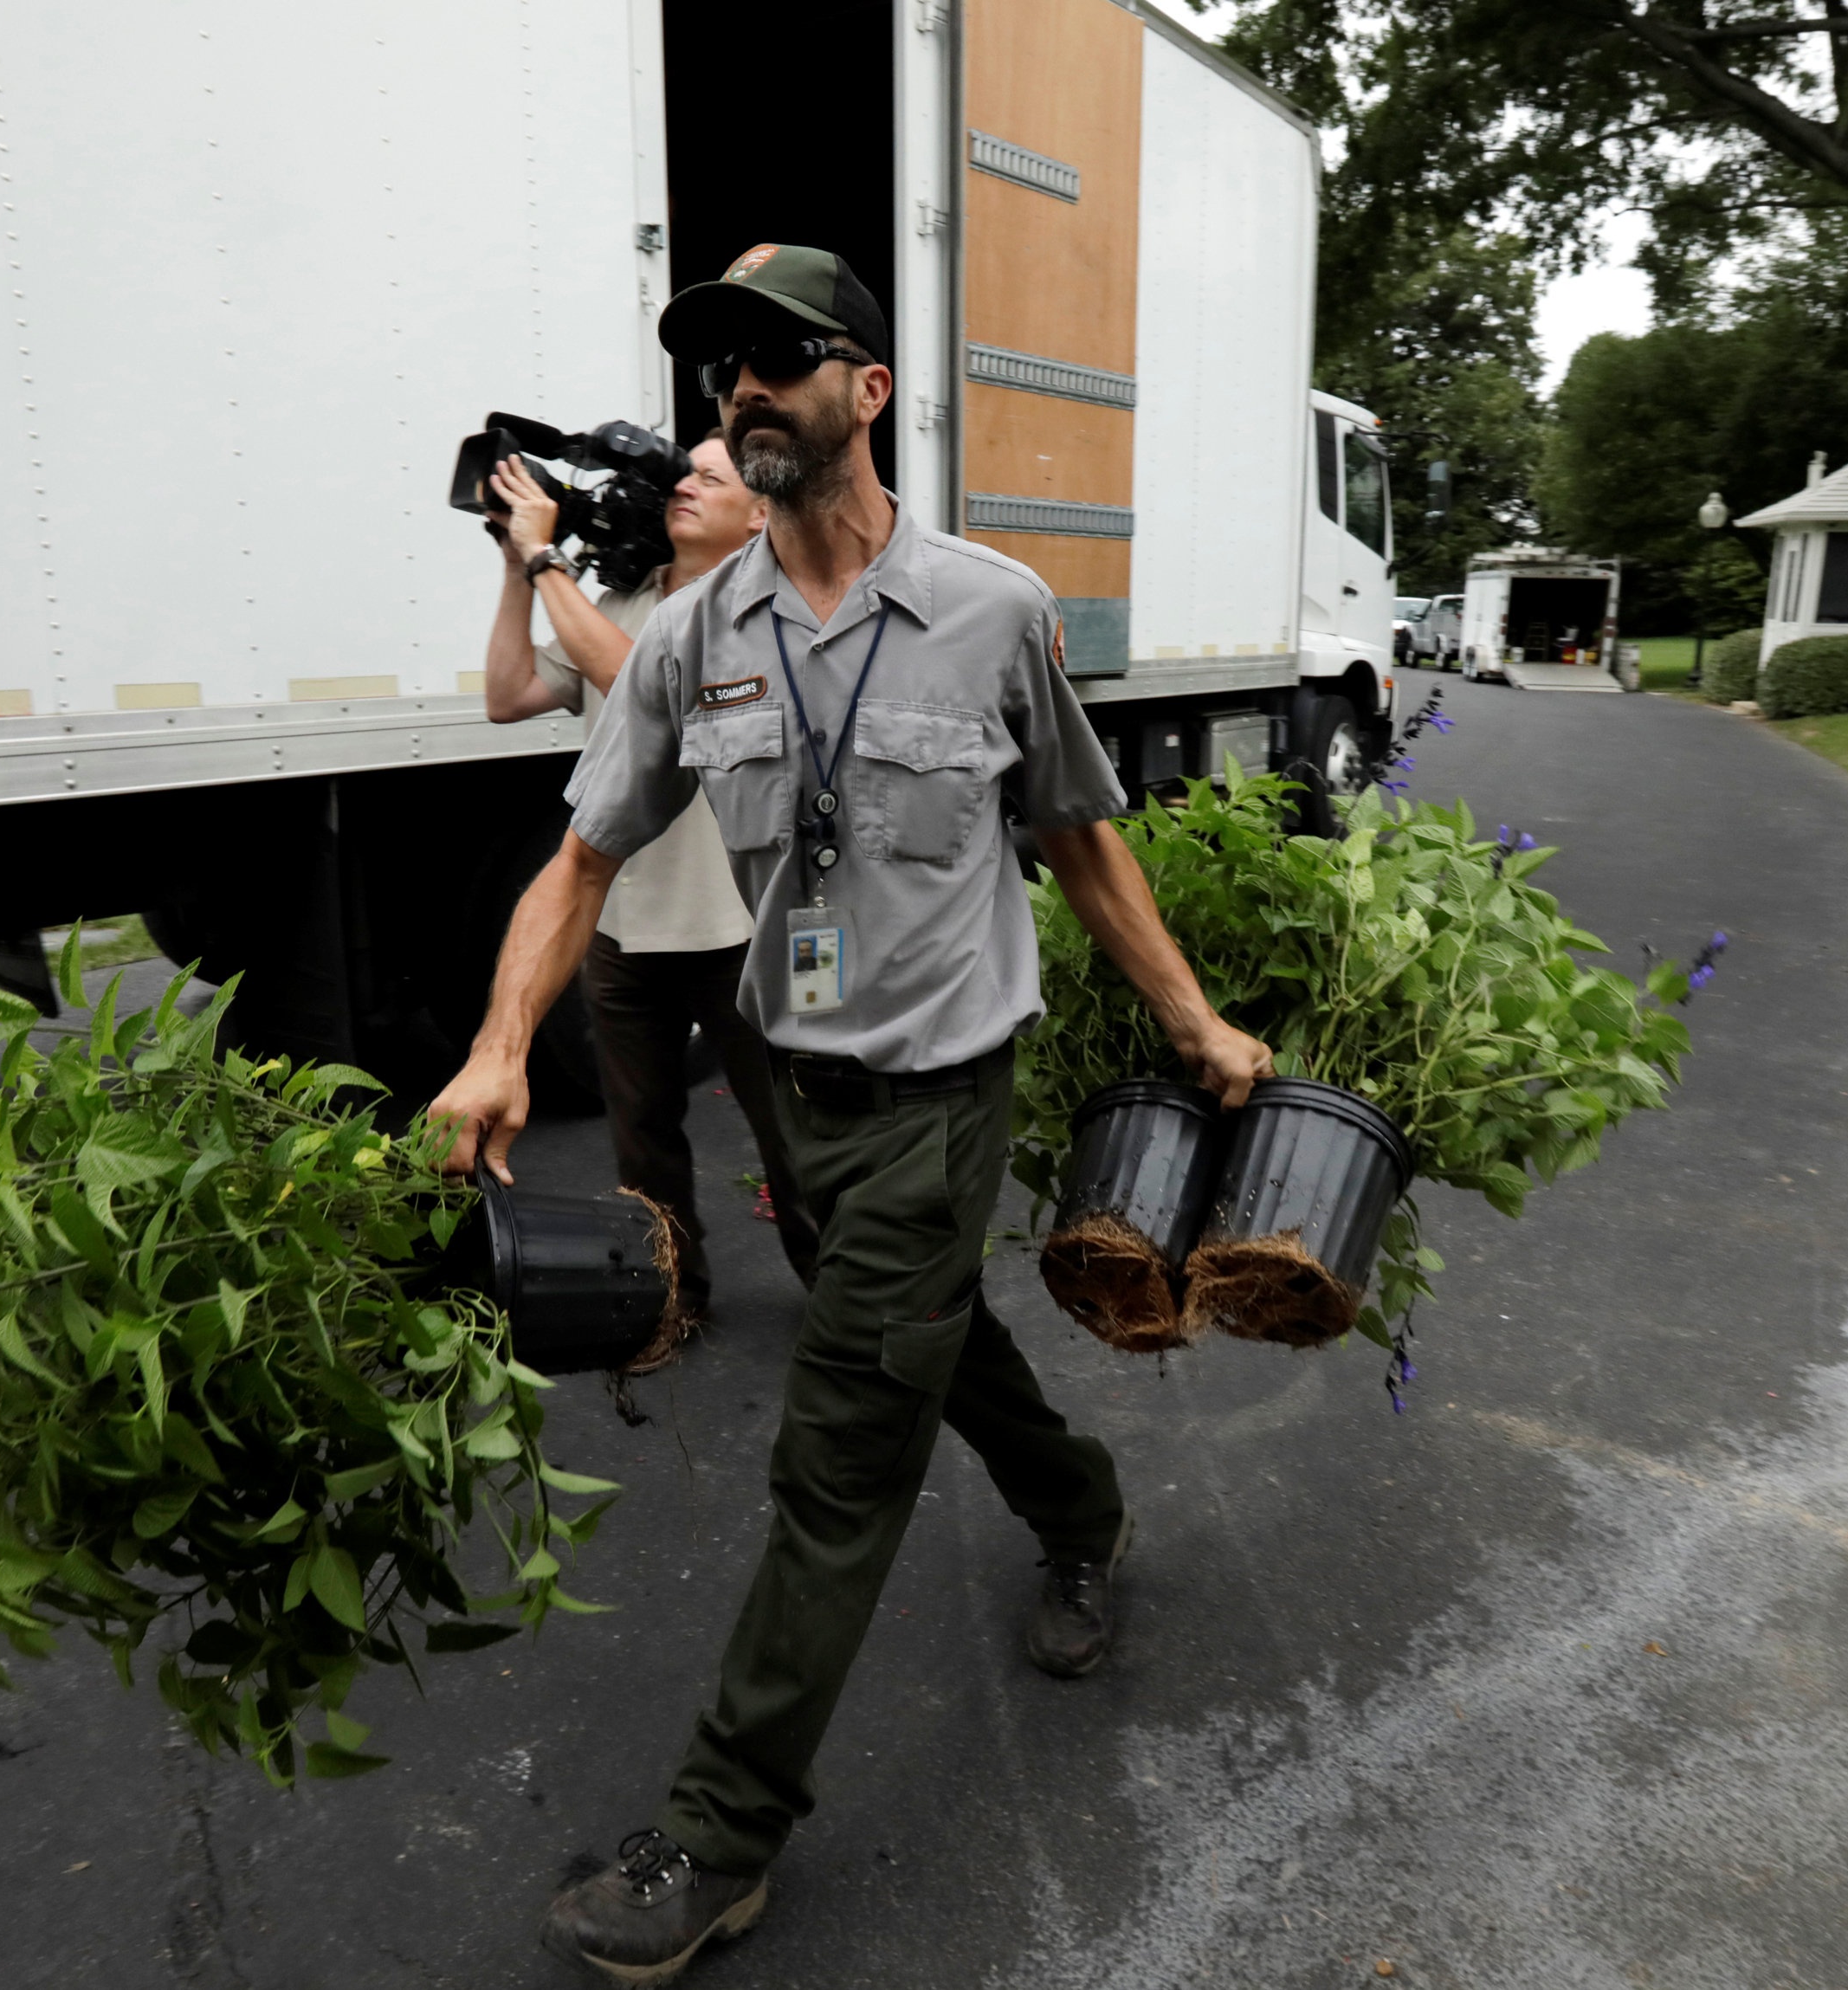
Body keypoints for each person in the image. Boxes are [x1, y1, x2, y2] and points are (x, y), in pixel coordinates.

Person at [424, 243, 1272, 1986]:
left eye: (777, 359)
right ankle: (1085, 1512)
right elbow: (577, 859)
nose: (739, 391)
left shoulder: (989, 609)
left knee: (839, 1455)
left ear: (865, 390)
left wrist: (1192, 1017)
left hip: (939, 1099)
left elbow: (1080, 837)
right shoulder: (689, 644)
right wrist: (504, 1040)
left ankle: (717, 1838)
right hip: (783, 1096)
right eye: (718, 368)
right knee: (927, 1349)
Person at [478, 430, 820, 1350]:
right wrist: (516, 568)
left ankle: (838, 1295)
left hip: (741, 927)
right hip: (623, 929)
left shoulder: (755, 608)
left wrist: (547, 557)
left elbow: (642, 683)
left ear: (758, 514)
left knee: (792, 1136)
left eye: (710, 478)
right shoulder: (624, 596)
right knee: (642, 1147)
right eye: (683, 474)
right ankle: (675, 1298)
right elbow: (507, 694)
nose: (684, 486)